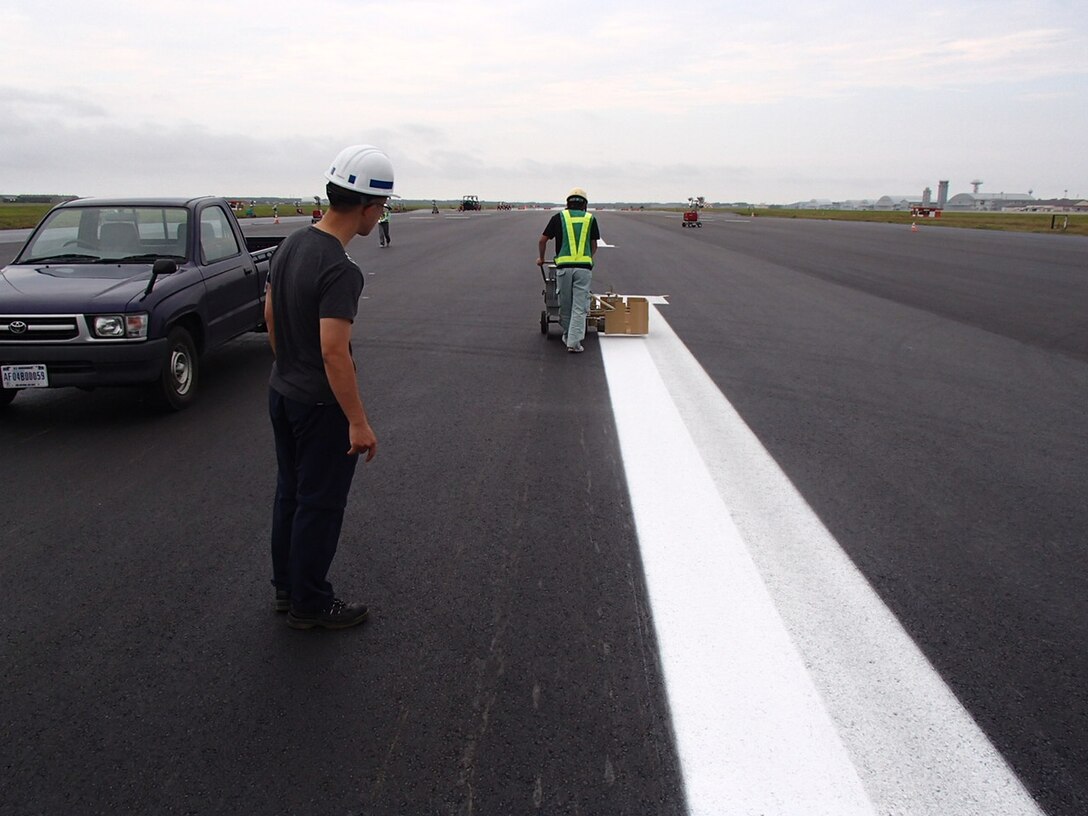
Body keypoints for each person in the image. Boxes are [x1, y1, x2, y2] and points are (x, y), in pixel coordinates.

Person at [264, 143, 394, 630]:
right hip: (319, 406)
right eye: (381, 207)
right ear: (368, 206)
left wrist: (287, 366)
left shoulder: (294, 242)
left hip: (283, 391)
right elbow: (334, 350)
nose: (380, 216)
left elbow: (271, 315)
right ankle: (311, 603)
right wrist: (358, 422)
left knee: (290, 495)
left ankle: (287, 589)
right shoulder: (340, 269)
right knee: (320, 505)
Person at [536, 188, 600, 353]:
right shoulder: (590, 219)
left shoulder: (558, 217)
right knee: (579, 306)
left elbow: (542, 240)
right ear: (585, 204)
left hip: (563, 268)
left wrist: (541, 258)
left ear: (567, 203)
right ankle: (574, 342)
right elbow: (594, 245)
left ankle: (567, 334)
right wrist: (588, 258)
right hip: (583, 269)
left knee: (564, 304)